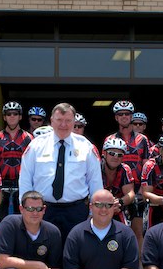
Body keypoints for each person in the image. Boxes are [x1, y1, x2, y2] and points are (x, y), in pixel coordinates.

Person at [20, 102, 103, 245]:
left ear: (73, 122)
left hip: (76, 211)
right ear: (51, 121)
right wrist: (26, 209)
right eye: (59, 120)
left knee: (74, 255)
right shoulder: (36, 146)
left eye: (68, 121)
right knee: (43, 252)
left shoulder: (86, 147)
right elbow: (25, 180)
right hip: (43, 211)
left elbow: (95, 182)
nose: (63, 125)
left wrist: (94, 212)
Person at [104, 101, 152, 250]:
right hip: (115, 190)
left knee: (138, 232)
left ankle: (138, 268)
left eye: (127, 114)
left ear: (132, 116)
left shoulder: (142, 140)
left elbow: (147, 166)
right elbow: (103, 165)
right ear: (116, 118)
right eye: (120, 114)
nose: (124, 116)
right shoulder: (110, 139)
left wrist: (142, 190)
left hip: (136, 190)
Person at [0, 101, 33, 217]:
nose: (12, 116)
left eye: (15, 113)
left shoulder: (28, 138)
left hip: (22, 183)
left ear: (20, 117)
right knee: (1, 218)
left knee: (22, 217)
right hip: (2, 184)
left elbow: (32, 163)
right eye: (9, 114)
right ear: (4, 117)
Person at [100, 137, 136, 224]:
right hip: (98, 205)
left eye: (119, 155)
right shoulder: (95, 168)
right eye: (112, 153)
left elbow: (130, 194)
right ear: (104, 153)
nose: (115, 157)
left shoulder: (125, 169)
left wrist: (119, 202)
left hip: (117, 207)